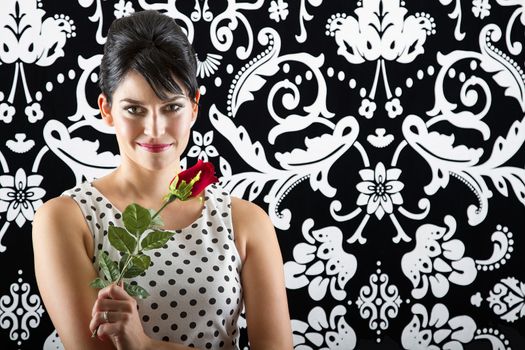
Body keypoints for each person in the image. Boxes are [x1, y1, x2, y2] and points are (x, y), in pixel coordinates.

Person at [32, 10, 293, 350]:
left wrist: (144, 346)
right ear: (106, 109)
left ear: (194, 107)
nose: (154, 130)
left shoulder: (245, 222)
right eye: (134, 109)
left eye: (171, 107)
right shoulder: (65, 220)